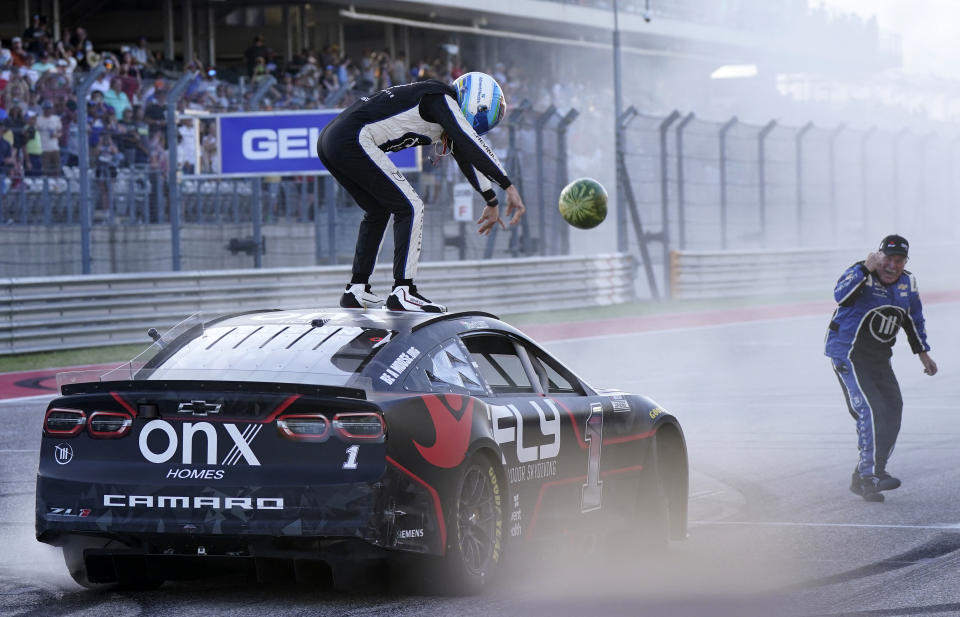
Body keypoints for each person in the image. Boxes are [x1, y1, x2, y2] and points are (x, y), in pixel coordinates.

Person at [316, 72, 525, 312]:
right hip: (352, 139)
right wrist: (508, 185)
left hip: (330, 141)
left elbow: (465, 155)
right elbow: (470, 141)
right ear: (479, 103)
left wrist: (491, 199)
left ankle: (356, 289)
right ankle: (403, 290)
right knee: (411, 206)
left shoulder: (435, 99)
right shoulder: (441, 98)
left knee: (378, 210)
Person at [825, 234, 938, 502]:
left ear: (905, 262)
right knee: (870, 409)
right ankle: (869, 476)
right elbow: (840, 296)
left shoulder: (908, 283)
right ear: (878, 256)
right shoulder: (861, 272)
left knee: (892, 409)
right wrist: (865, 268)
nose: (892, 266)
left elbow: (914, 320)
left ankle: (869, 475)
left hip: (879, 358)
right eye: (888, 259)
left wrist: (924, 355)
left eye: (899, 260)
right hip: (849, 354)